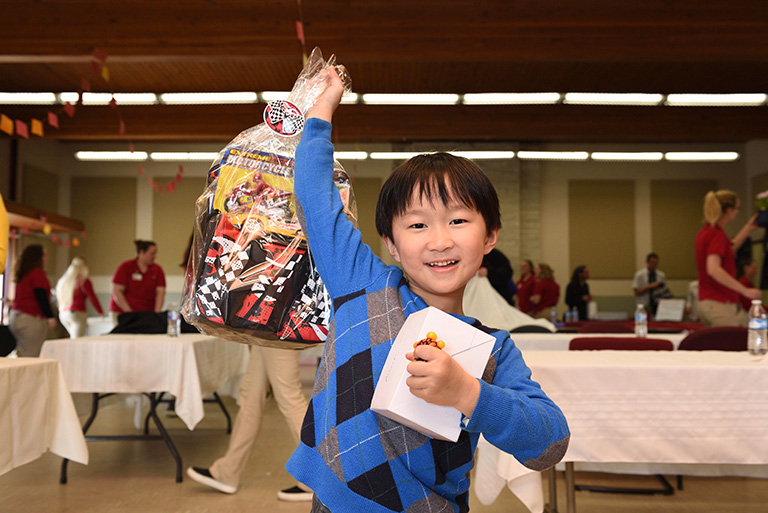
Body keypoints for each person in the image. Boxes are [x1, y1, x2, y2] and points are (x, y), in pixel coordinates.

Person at [285, 67, 569, 513]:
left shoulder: (495, 350)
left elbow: (549, 443)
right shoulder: (362, 284)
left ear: (490, 236)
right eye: (418, 225)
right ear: (392, 245)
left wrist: (468, 394)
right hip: (338, 502)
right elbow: (315, 199)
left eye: (458, 220)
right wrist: (320, 111)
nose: (439, 241)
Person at [186, 345, 313, 501]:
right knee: (251, 396)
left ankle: (317, 478)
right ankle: (228, 471)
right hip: (265, 332)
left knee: (289, 396)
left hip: (276, 330)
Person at [695, 190, 761, 327]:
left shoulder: (705, 232)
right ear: (729, 210)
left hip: (706, 303)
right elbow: (713, 269)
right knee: (734, 344)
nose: (737, 212)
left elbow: (728, 251)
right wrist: (744, 290)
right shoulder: (717, 234)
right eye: (737, 208)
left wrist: (748, 229)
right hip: (719, 303)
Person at [9, 244, 56, 356]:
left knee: (23, 352)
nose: (46, 258)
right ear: (37, 257)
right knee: (31, 354)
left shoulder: (24, 273)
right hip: (29, 317)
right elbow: (41, 296)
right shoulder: (36, 273)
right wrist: (50, 316)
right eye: (44, 255)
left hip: (16, 316)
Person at [108, 240, 166, 324]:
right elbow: (117, 291)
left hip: (146, 315)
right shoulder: (126, 267)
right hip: (123, 313)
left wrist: (156, 315)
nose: (155, 256)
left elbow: (160, 292)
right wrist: (130, 314)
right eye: (152, 254)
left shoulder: (157, 270)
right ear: (142, 252)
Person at [55, 257, 104, 338]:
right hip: (77, 314)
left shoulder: (64, 281)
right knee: (76, 340)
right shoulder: (84, 281)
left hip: (63, 314)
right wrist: (100, 311)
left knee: (73, 338)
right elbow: (93, 298)